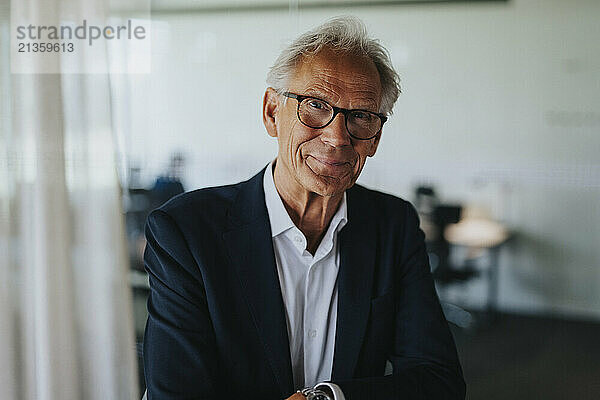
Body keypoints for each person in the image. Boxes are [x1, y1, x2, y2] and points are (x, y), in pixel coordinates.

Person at [143, 16, 465, 400]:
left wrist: (329, 398)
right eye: (315, 105)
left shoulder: (393, 225)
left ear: (376, 136)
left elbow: (438, 381)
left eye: (361, 115)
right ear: (271, 112)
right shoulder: (186, 231)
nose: (336, 137)